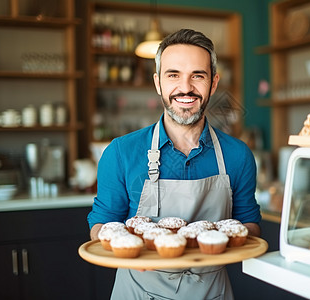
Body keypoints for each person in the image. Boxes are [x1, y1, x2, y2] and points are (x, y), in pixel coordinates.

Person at [88, 28, 261, 300]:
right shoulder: (120, 152)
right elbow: (102, 224)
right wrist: (125, 248)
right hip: (137, 291)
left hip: (211, 292)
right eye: (173, 75)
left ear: (213, 83)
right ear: (158, 83)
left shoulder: (238, 155)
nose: (185, 88)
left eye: (198, 76)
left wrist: (223, 243)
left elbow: (249, 224)